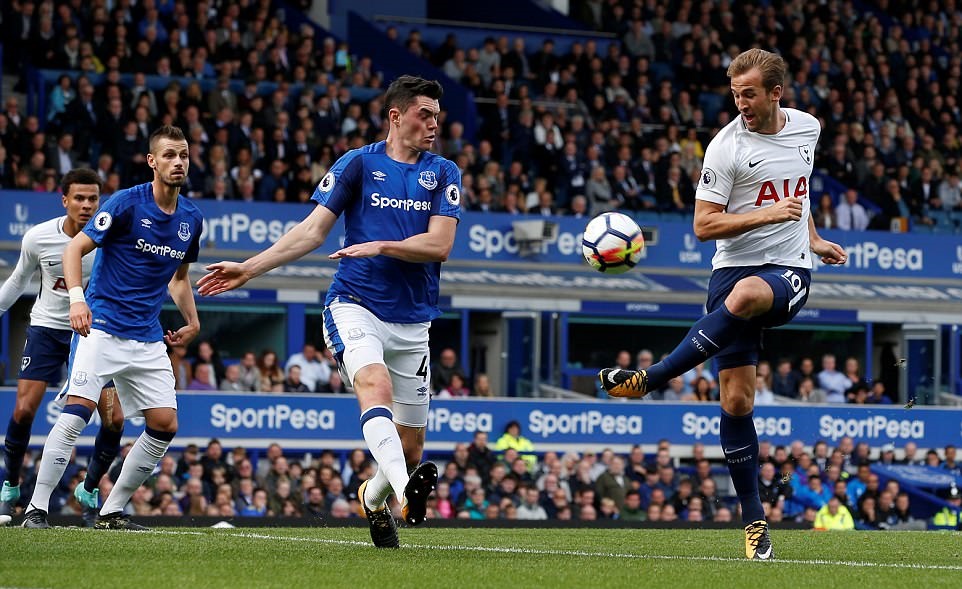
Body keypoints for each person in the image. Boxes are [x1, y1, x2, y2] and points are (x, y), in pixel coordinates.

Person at [599, 49, 846, 560]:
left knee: (752, 294)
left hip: (786, 271)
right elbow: (704, 225)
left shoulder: (807, 128)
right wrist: (768, 215)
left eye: (749, 93)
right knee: (737, 402)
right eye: (735, 94)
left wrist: (811, 236)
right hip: (729, 271)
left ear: (776, 93)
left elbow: (796, 194)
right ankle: (755, 523)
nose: (741, 103)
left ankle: (651, 378)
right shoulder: (724, 147)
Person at [197, 76, 460, 548]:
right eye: (425, 114)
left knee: (410, 447)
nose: (434, 124)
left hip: (414, 320)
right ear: (396, 116)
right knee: (373, 386)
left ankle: (374, 496)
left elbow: (440, 245)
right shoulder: (358, 163)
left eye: (438, 116)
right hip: (354, 305)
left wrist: (380, 245)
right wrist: (249, 269)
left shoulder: (443, 172)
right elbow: (312, 231)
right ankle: (404, 492)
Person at [21, 125, 203, 530]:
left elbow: (178, 278)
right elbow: (74, 248)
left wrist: (193, 320)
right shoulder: (125, 204)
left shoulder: (191, 218)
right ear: (152, 161)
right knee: (76, 415)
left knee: (164, 424)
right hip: (100, 328)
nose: (179, 162)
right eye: (170, 155)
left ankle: (112, 510)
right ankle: (36, 509)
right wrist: (77, 299)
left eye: (184, 155)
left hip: (148, 336)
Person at [0, 169, 125, 519]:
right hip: (47, 329)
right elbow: (16, 283)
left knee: (114, 418)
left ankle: (89, 490)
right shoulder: (38, 238)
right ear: (65, 200)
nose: (86, 206)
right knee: (24, 410)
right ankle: (10, 484)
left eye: (93, 199)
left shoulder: (111, 239)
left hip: (92, 334)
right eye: (79, 198)